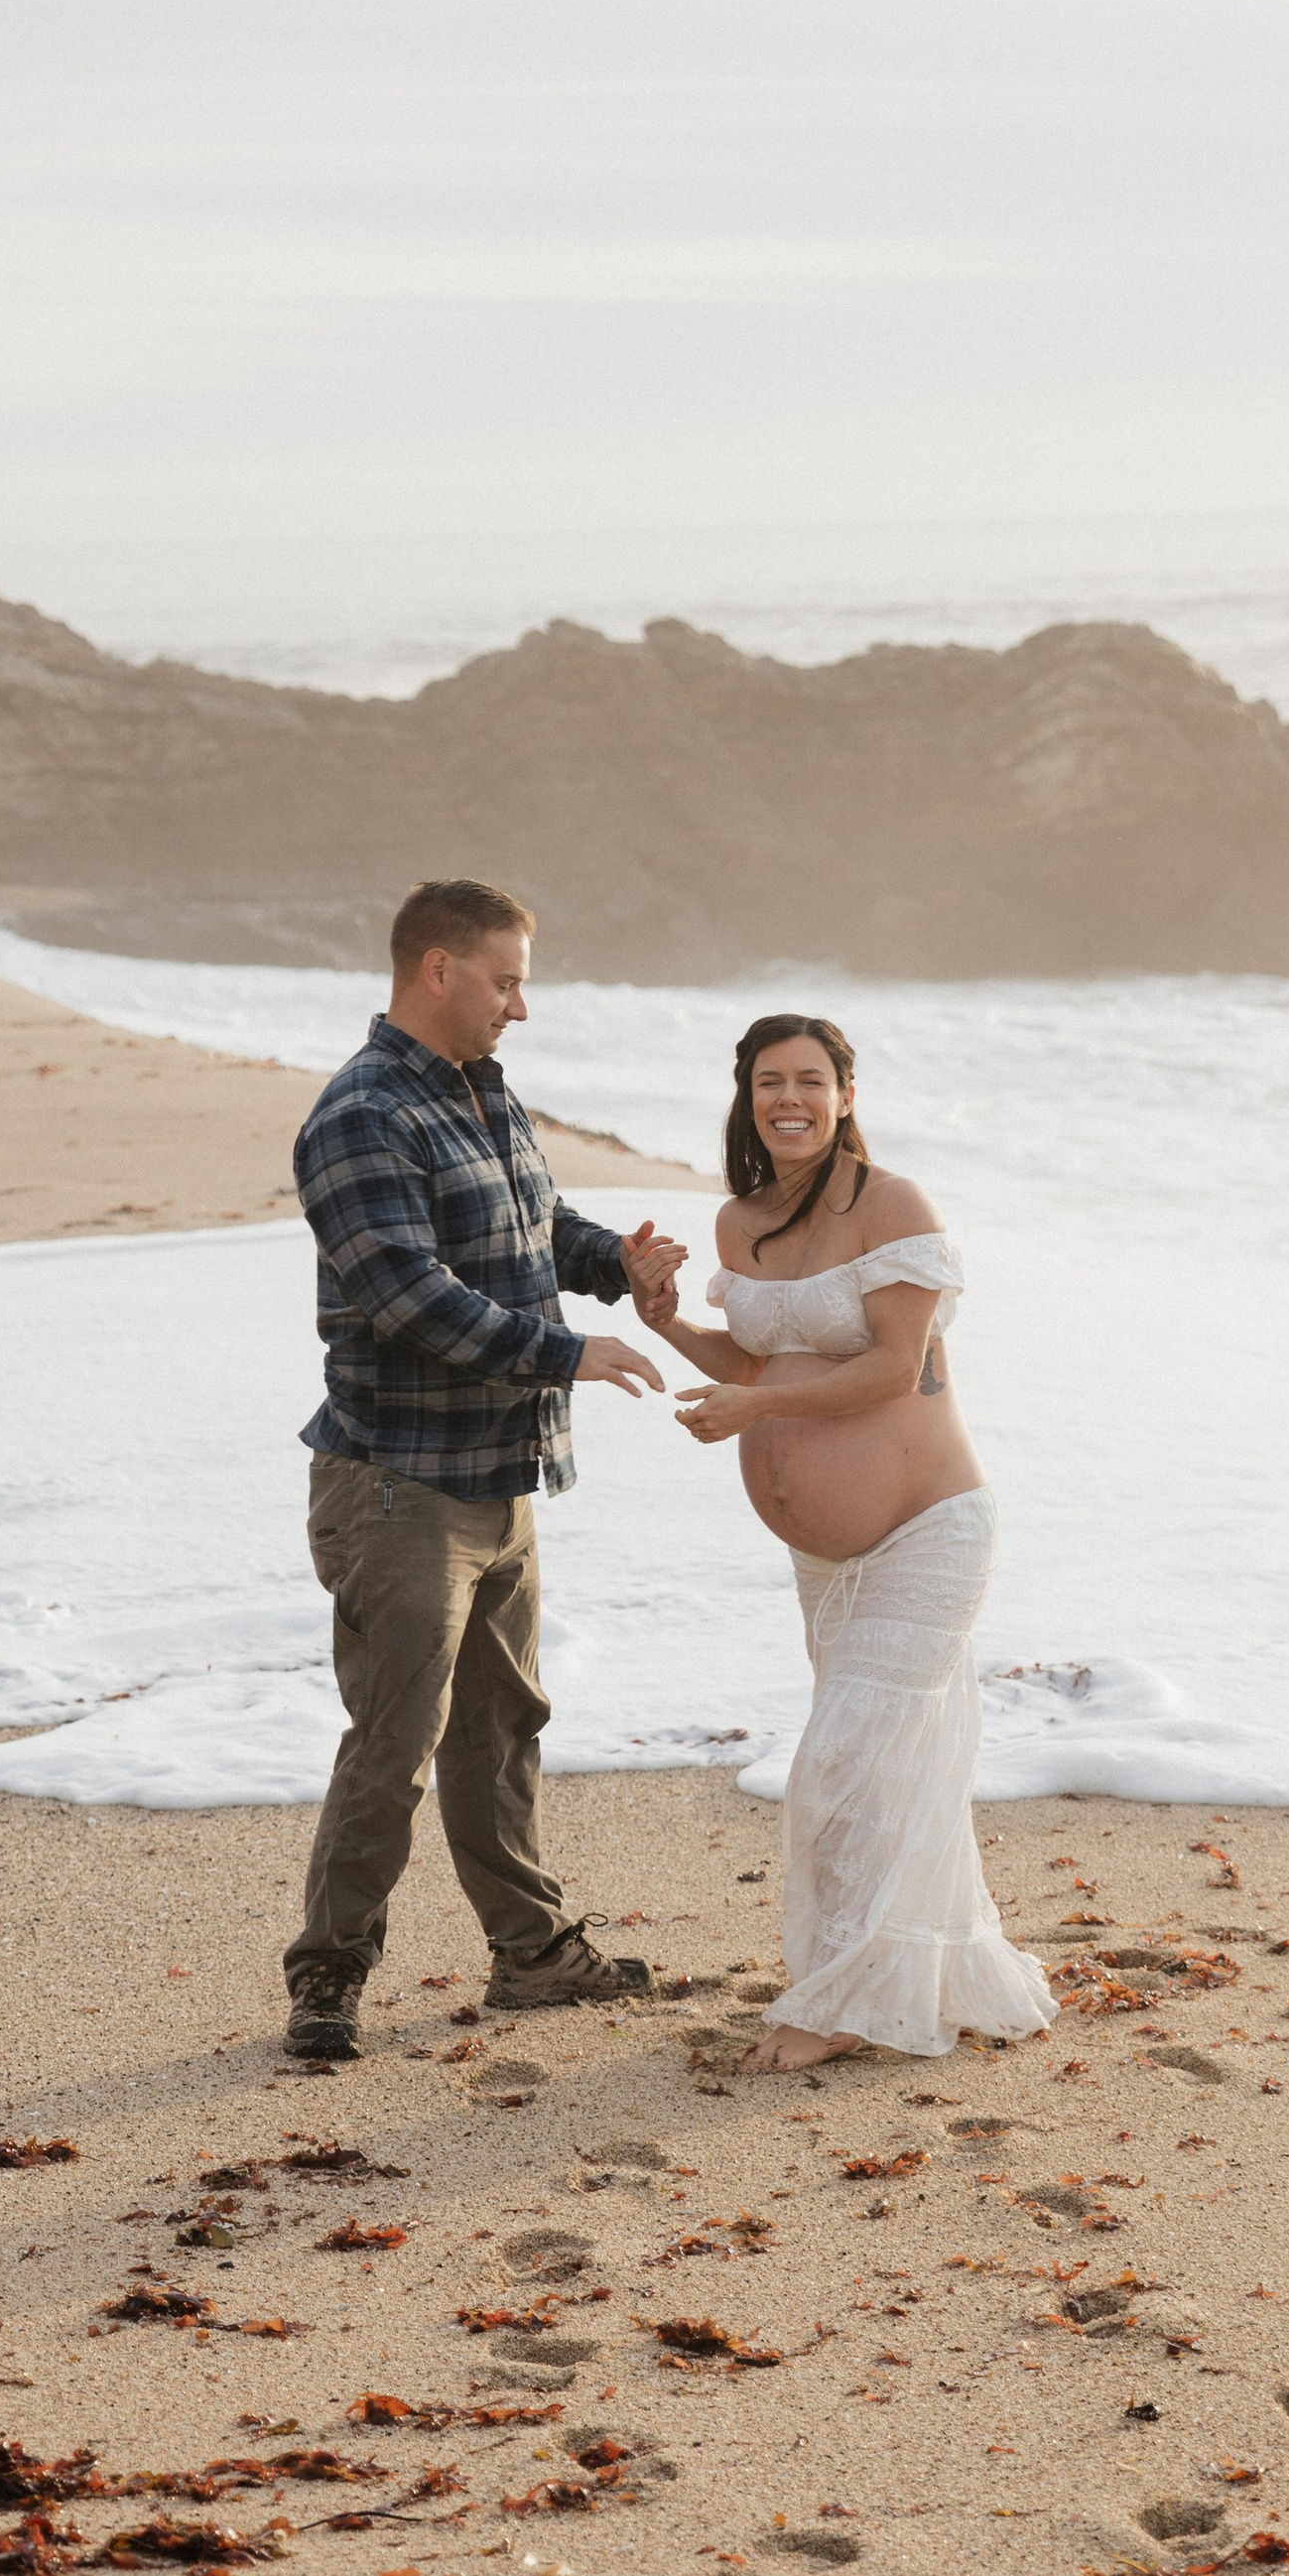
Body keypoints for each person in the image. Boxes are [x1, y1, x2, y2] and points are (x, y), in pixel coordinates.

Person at [284, 876, 689, 2063]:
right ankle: (326, 1980)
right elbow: (410, 1298)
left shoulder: (480, 1094)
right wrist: (569, 1352)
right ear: (438, 971)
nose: (521, 1005)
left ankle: (532, 1953)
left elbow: (532, 1230)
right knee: (395, 1742)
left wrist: (618, 1257)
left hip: (497, 1478)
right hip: (399, 1487)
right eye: (506, 980)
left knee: (502, 1724)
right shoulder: (359, 1115)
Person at [627, 1012, 1054, 2069]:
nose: (791, 1099)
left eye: (811, 1081)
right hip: (826, 1561)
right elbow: (762, 1354)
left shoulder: (890, 1205)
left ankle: (834, 2006)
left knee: (845, 1765)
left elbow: (892, 1368)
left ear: (846, 1095)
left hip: (926, 1531)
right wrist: (666, 1319)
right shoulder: (742, 1223)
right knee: (884, 1773)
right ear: (747, 1095)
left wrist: (752, 1414)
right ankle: (899, 1979)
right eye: (770, 1081)